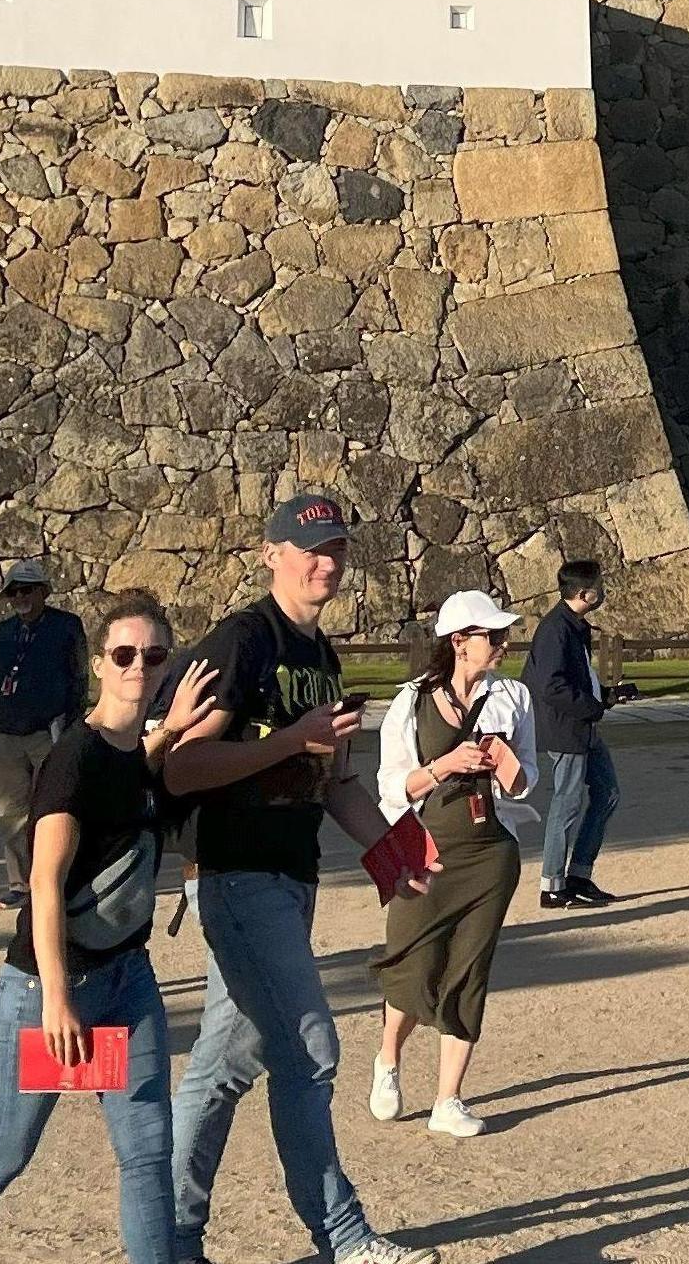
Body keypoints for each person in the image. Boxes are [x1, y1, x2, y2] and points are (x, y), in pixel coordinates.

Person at [158, 493, 432, 1264]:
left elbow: (336, 782)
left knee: (224, 1063)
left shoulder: (321, 658)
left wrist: (389, 854)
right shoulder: (243, 642)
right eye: (312, 547)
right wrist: (285, 740)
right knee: (311, 1051)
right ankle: (341, 1233)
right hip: (236, 875)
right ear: (270, 551)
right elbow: (182, 765)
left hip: (289, 876)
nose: (327, 562)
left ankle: (170, 1235)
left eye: (338, 548)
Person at [0, 591, 221, 1264]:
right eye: (125, 653)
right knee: (0, 1155)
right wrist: (56, 999)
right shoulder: (72, 758)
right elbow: (45, 882)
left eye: (154, 654)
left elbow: (137, 765)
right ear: (100, 664)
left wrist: (174, 729)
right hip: (50, 990)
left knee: (146, 1153)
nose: (140, 664)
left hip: (127, 982)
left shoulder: (133, 752)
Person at [370, 592, 534, 1138]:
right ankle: (388, 1061)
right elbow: (390, 787)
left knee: (470, 972)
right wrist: (443, 765)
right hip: (428, 850)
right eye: (493, 635)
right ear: (459, 641)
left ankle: (448, 1099)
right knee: (414, 963)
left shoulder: (513, 696)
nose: (503, 644)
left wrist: (507, 767)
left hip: (491, 851)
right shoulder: (410, 702)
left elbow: (528, 778)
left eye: (503, 634)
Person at [0, 559, 90, 908]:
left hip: (49, 730)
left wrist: (73, 725)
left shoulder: (66, 627)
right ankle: (21, 884)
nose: (20, 597)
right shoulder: (2, 634)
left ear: (43, 592)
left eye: (27, 590)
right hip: (8, 733)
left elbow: (79, 678)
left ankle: (60, 877)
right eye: (14, 591)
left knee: (55, 807)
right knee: (11, 812)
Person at [521, 563, 625, 912]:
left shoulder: (574, 627)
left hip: (583, 725)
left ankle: (579, 875)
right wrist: (592, 708)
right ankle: (552, 886)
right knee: (566, 804)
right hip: (565, 728)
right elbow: (551, 686)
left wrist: (607, 694)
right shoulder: (555, 629)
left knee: (608, 792)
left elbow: (575, 678)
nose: (604, 589)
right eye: (599, 585)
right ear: (584, 594)